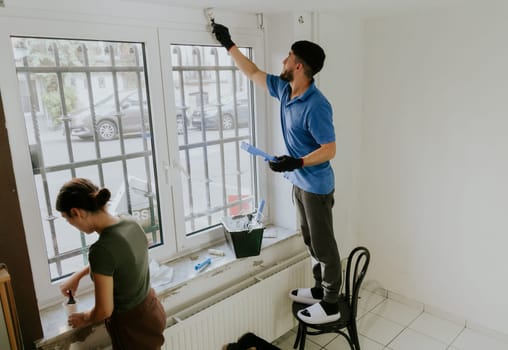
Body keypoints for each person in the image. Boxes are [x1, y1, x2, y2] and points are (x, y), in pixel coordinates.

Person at [212, 22, 342, 324]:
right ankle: (320, 290)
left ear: (298, 66)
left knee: (324, 245)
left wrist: (296, 162)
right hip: (299, 182)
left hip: (317, 185)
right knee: (309, 240)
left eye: (287, 57)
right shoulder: (285, 90)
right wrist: (229, 45)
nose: (282, 62)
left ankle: (332, 302)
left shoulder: (317, 105)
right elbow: (254, 73)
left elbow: (330, 149)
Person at [56, 178, 166, 349]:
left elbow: (104, 311)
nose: (71, 225)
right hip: (152, 310)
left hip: (133, 329)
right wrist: (78, 276)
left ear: (76, 212)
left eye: (67, 219)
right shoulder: (129, 221)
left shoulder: (101, 250)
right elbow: (119, 258)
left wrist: (84, 317)